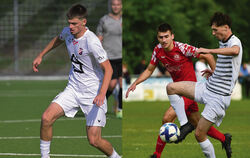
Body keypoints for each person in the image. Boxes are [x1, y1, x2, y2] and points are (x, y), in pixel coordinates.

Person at [125, 23, 230, 158]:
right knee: (198, 125)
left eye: (166, 36)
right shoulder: (158, 50)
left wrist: (216, 75)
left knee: (167, 118)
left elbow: (208, 56)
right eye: (160, 37)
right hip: (177, 92)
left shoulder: (183, 48)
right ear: (158, 38)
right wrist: (135, 83)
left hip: (190, 91)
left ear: (172, 36)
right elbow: (149, 69)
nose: (164, 40)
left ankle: (157, 155)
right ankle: (224, 138)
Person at [32, 4, 121, 158]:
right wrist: (41, 55)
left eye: (74, 24)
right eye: (69, 23)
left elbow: (109, 69)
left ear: (84, 22)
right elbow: (58, 39)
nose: (70, 26)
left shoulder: (91, 41)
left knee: (94, 140)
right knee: (46, 118)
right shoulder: (68, 32)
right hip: (73, 89)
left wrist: (101, 94)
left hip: (92, 93)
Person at [166, 12, 242, 158]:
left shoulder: (235, 42)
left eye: (215, 30)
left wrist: (209, 50)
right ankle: (185, 124)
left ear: (226, 27)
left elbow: (235, 51)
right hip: (207, 87)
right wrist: (214, 71)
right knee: (171, 87)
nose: (213, 33)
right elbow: (228, 64)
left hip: (218, 98)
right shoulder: (223, 40)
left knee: (199, 134)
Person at [96, 0, 122, 118]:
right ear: (111, 6)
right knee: (111, 84)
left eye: (118, 4)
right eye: (113, 4)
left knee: (122, 84)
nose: (115, 7)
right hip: (109, 57)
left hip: (122, 57)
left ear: (121, 6)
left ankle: (120, 109)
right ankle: (102, 103)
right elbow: (99, 38)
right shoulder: (104, 20)